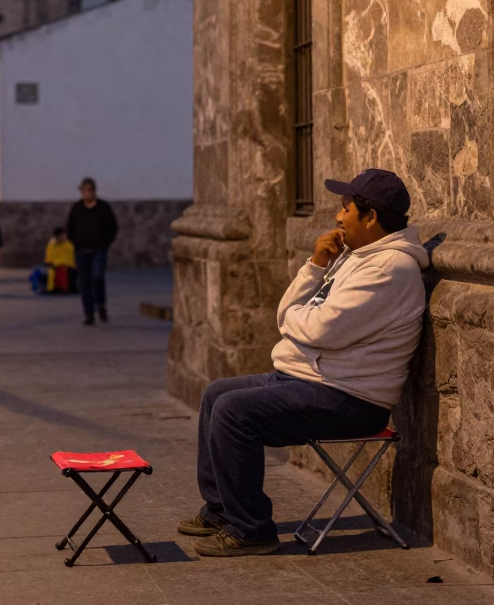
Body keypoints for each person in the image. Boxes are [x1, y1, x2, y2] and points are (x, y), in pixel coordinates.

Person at [179, 168, 429, 558]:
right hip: (312, 380)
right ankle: (222, 510)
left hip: (350, 400)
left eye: (344, 208)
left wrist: (293, 320)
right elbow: (299, 315)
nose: (337, 217)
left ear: (370, 217)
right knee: (217, 394)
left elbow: (315, 328)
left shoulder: (388, 269)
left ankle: (251, 530)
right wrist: (314, 266)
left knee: (234, 412)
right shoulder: (356, 258)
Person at [65, 177, 118, 325]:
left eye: (89, 191)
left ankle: (100, 304)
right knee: (84, 283)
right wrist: (74, 241)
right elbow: (70, 226)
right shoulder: (77, 208)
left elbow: (112, 227)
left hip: (98, 250)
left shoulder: (103, 208)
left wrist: (105, 243)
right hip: (81, 250)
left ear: (93, 191)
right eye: (84, 191)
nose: (86, 194)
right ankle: (89, 314)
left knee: (97, 276)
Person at [43, 227, 77, 294]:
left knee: (61, 269)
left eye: (62, 236)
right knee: (50, 270)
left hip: (68, 266)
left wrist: (56, 263)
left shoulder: (69, 245)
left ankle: (63, 288)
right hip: (55, 266)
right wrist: (52, 245)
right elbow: (48, 258)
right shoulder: (52, 245)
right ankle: (54, 288)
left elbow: (69, 260)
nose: (60, 238)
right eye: (58, 236)